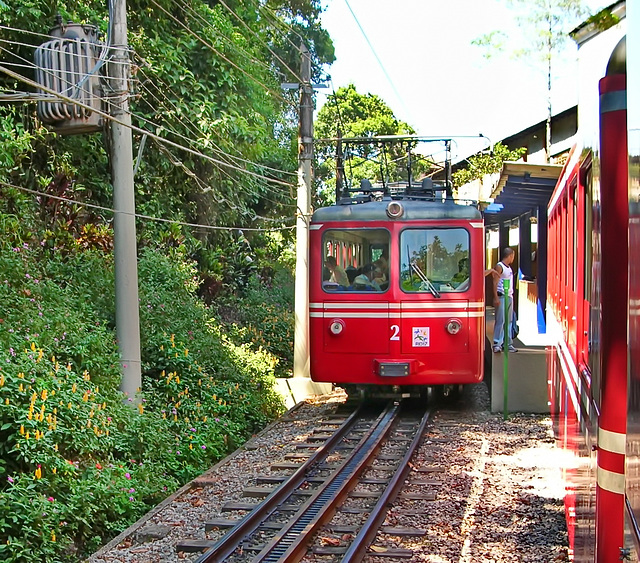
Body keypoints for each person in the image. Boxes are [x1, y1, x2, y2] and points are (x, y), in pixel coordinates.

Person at [492, 248, 518, 353]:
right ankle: (496, 343)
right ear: (510, 255)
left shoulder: (509, 268)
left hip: (509, 296)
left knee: (509, 321)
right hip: (502, 296)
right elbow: (495, 282)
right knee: (500, 320)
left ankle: (507, 343)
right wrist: (496, 297)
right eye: (513, 256)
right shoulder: (500, 266)